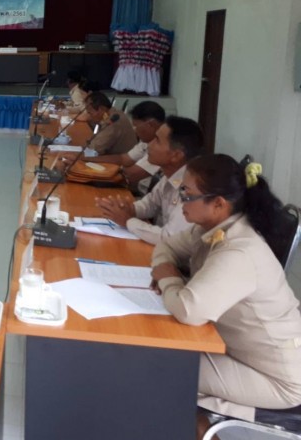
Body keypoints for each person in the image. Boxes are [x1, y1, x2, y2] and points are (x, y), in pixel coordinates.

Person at [150, 156, 301, 438]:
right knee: (166, 362)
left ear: (219, 204)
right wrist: (167, 272)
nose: (181, 201)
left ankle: (196, 428)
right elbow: (165, 247)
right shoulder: (211, 229)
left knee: (169, 366)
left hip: (277, 378)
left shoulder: (239, 250)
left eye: (187, 194)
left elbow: (188, 310)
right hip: (240, 353)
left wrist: (167, 278)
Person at [96, 116, 205, 244]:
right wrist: (128, 209)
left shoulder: (194, 188)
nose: (150, 145)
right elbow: (149, 204)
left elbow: (169, 237)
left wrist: (127, 221)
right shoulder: (170, 175)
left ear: (176, 155)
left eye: (157, 140)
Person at [83, 101, 165, 192]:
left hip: (139, 193)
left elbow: (131, 174)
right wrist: (86, 158)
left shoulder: (164, 147)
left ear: (150, 124)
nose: (134, 130)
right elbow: (124, 159)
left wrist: (91, 169)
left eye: (136, 126)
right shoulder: (147, 140)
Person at [83, 91, 138, 156]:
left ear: (101, 109)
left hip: (121, 159)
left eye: (90, 113)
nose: (89, 116)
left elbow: (95, 149)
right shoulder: (115, 112)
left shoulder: (112, 121)